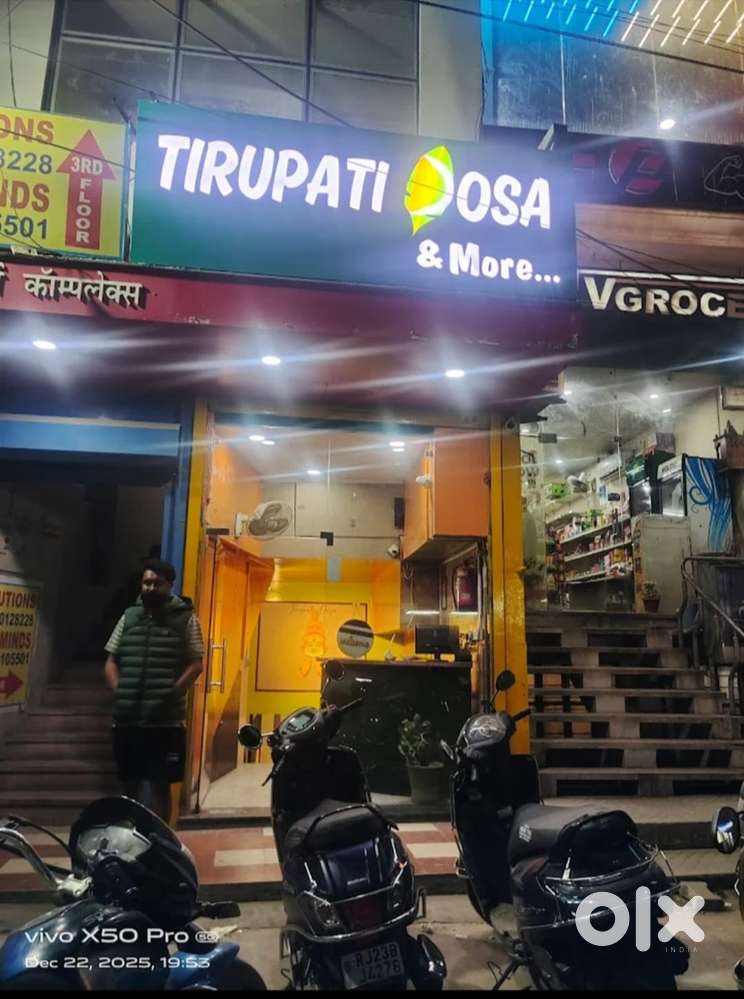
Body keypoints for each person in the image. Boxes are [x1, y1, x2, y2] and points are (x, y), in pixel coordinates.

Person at [103, 558, 204, 822]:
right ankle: (131, 835)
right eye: (146, 582)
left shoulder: (186, 619)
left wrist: (173, 693)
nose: (149, 588)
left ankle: (162, 837)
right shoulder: (129, 616)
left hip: (165, 722)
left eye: (156, 583)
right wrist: (119, 691)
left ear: (170, 585)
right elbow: (111, 660)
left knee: (161, 785)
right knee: (129, 784)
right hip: (128, 720)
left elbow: (196, 663)